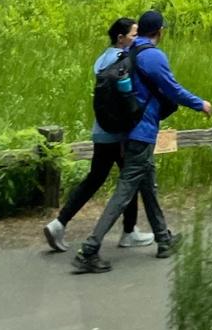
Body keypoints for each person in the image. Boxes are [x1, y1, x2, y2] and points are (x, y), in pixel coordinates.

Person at [71, 9, 212, 274]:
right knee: (124, 192)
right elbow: (173, 89)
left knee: (148, 185)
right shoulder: (153, 56)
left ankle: (163, 239)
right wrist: (200, 104)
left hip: (129, 130)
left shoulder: (129, 51)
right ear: (159, 31)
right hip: (142, 132)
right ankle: (89, 249)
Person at [43, 16, 152, 253]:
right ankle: (129, 231)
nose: (137, 39)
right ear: (121, 38)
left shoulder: (103, 59)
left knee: (95, 178)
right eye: (134, 35)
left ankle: (59, 223)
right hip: (119, 133)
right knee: (129, 180)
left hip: (101, 130)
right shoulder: (123, 60)